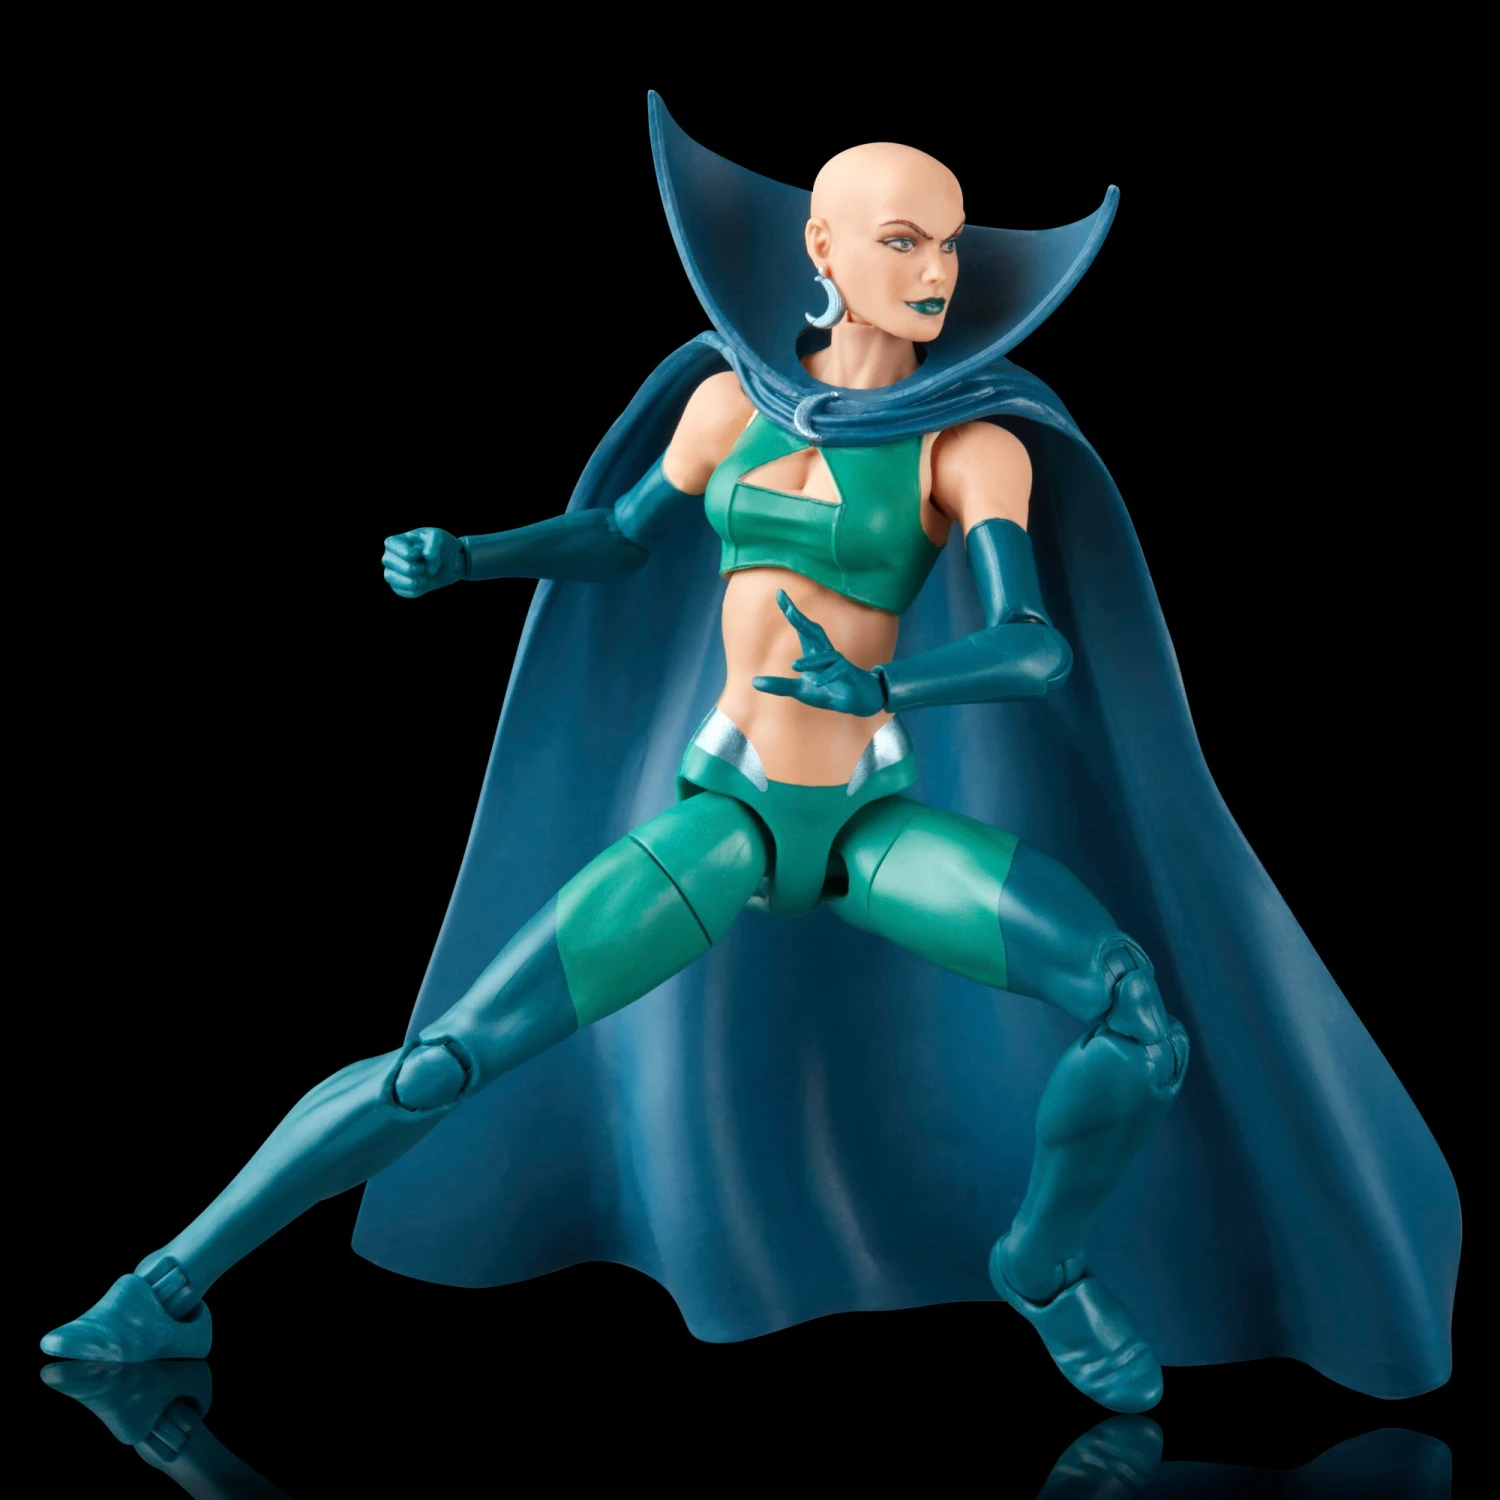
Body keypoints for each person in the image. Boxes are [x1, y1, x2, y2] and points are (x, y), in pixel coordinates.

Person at [41, 96, 1458, 1414]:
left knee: (1136, 1015)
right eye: (902, 240)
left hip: (869, 826)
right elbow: (617, 539)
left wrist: (885, 677)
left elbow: (1035, 648)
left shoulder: (975, 447)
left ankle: (1042, 1261)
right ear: (821, 249)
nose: (935, 271)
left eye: (950, 246)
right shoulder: (726, 402)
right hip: (725, 819)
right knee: (443, 1061)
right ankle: (168, 1288)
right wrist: (471, 554)